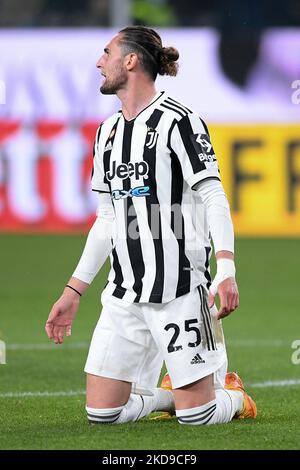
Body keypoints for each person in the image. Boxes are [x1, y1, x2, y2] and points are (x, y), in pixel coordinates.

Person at [45, 26, 257, 425]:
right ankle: (173, 396)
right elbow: (107, 218)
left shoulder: (179, 121)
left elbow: (214, 196)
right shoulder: (106, 134)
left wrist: (226, 270)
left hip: (179, 288)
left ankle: (231, 395)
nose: (98, 62)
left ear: (131, 60)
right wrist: (74, 291)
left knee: (199, 419)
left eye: (106, 53)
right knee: (102, 414)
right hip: (123, 293)